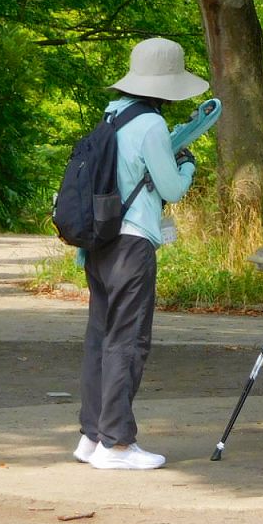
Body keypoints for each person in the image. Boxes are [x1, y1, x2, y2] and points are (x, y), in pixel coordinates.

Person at [74, 38, 208, 470]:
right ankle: (116, 444)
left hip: (99, 242)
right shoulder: (150, 124)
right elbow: (171, 188)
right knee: (128, 342)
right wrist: (187, 164)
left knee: (100, 338)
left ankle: (90, 437)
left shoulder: (112, 115)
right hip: (133, 244)